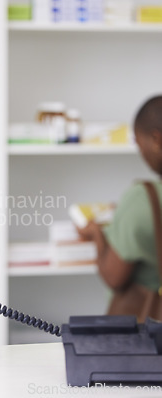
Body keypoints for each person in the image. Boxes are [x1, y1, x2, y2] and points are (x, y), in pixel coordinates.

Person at [78, 95, 162, 311]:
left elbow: (114, 277)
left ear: (156, 140)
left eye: (138, 141)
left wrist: (97, 233)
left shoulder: (142, 198)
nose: (140, 150)